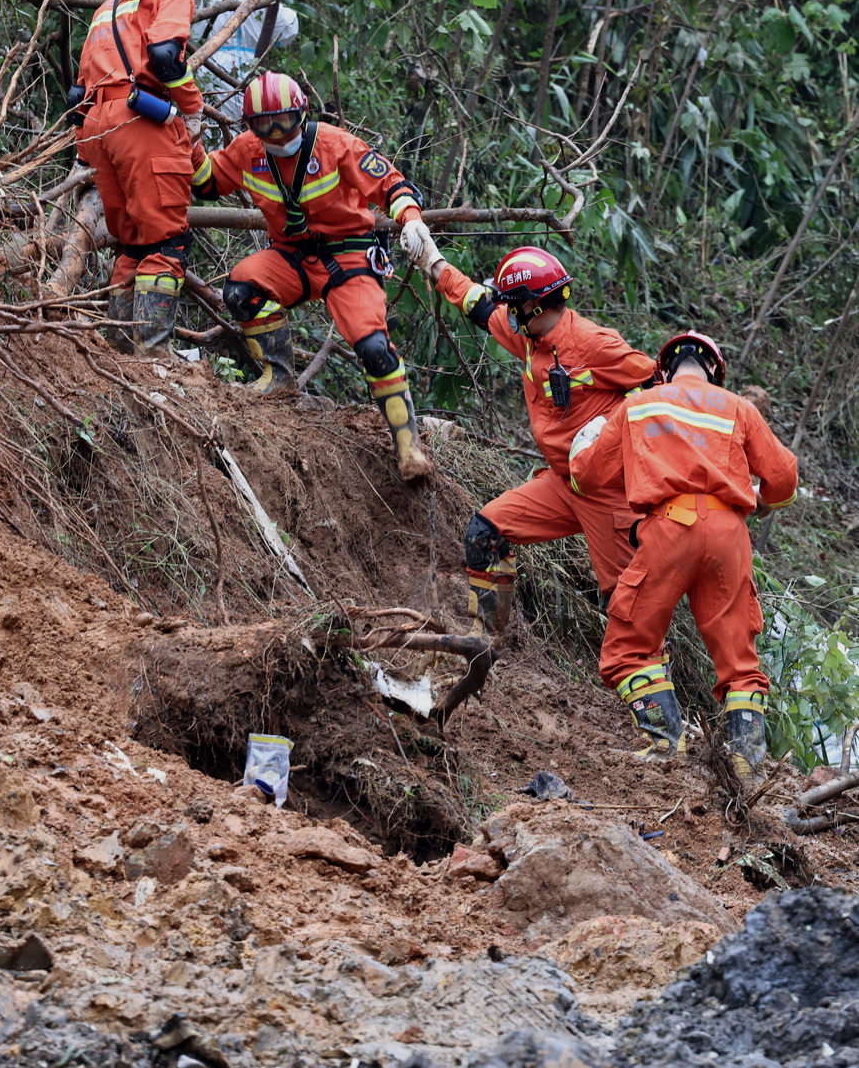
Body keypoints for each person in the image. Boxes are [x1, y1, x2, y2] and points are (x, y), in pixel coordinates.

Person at [568, 330, 798, 782]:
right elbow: (785, 477)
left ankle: (663, 743)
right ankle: (744, 766)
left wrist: (583, 446)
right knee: (739, 661)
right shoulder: (738, 408)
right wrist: (760, 500)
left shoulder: (638, 405)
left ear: (665, 369)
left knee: (630, 647)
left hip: (669, 528)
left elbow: (589, 478)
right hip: (729, 534)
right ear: (713, 369)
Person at [401, 235, 656, 640]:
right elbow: (478, 303)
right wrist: (432, 261)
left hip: (608, 495)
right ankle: (485, 644)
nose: (507, 310)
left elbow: (658, 388)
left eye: (512, 303)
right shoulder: (529, 335)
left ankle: (653, 697)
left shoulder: (594, 344)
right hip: (562, 483)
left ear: (534, 304)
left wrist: (613, 429)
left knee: (629, 611)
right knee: (484, 534)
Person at [190, 71, 434, 480]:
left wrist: (410, 220)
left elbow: (392, 184)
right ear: (249, 125)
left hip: (350, 256)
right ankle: (278, 378)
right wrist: (188, 139)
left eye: (284, 121)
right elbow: (208, 182)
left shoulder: (337, 145)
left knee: (374, 348)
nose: (276, 132)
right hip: (292, 257)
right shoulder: (248, 150)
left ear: (301, 113)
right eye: (263, 124)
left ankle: (408, 445)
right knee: (240, 288)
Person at [73, 0, 237, 358]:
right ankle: (153, 359)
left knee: (134, 242)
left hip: (98, 127)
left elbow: (79, 87)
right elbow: (166, 57)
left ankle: (120, 354)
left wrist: (85, 145)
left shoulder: (113, 1)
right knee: (166, 242)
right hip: (141, 122)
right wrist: (193, 108)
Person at [191, 0, 299, 123]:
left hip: (204, 62)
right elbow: (290, 27)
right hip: (249, 64)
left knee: (207, 121)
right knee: (247, 121)